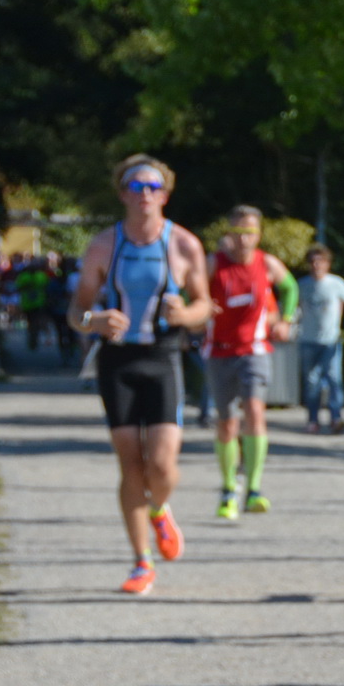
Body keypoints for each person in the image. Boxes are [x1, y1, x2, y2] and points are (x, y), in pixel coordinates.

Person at [68, 154, 212, 594]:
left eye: (152, 186)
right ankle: (141, 560)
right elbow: (77, 310)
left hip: (164, 355)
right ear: (122, 194)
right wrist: (94, 321)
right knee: (131, 464)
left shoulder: (184, 244)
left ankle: (160, 510)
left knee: (162, 464)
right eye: (135, 186)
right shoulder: (103, 246)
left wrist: (186, 312)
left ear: (165, 194)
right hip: (118, 361)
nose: (144, 194)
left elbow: (206, 306)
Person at [205, 205, 298, 519]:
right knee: (227, 422)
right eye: (239, 232)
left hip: (255, 350)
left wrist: (285, 319)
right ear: (229, 234)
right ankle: (229, 487)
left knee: (255, 411)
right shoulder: (212, 264)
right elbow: (188, 290)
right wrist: (200, 308)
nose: (244, 240)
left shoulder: (268, 264)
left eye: (250, 233)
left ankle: (254, 488)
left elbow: (290, 288)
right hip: (219, 351)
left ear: (259, 234)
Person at [296, 243, 344, 434]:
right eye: (312, 261)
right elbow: (287, 307)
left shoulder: (337, 284)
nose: (316, 265)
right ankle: (313, 419)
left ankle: (336, 418)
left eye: (321, 261)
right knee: (311, 382)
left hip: (331, 341)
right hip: (307, 341)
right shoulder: (301, 285)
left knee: (334, 379)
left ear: (328, 263)